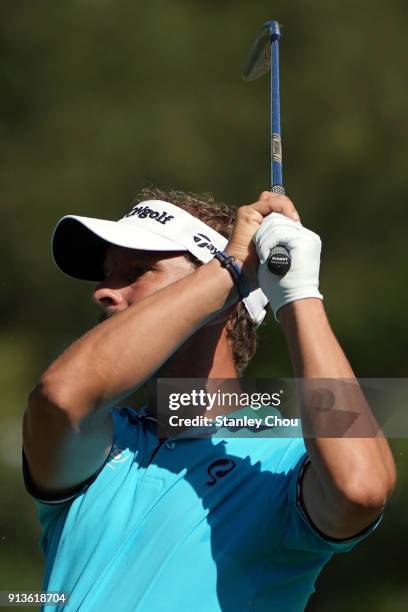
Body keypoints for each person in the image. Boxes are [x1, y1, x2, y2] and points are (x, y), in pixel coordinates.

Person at [23, 186, 396, 611]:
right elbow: (60, 396)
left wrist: (298, 295)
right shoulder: (108, 439)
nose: (103, 291)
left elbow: (361, 489)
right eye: (108, 274)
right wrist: (231, 268)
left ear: (221, 303)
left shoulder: (285, 451)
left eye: (136, 271)